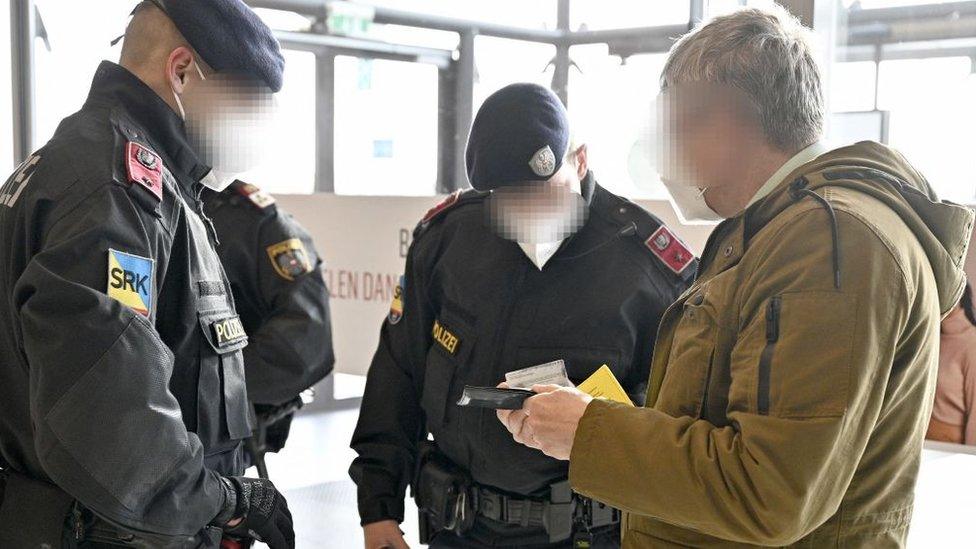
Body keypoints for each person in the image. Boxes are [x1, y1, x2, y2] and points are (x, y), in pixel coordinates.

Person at [498, 7, 974, 547]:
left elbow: (768, 491)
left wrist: (588, 431)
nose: (662, 155)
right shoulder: (784, 230)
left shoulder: (827, 240)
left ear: (724, 119)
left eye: (671, 128)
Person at [349, 82, 695, 549]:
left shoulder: (649, 271)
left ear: (581, 160)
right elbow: (399, 373)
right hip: (457, 526)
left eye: (545, 195)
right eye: (511, 201)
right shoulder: (450, 238)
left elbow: (678, 421)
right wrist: (378, 508)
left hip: (578, 533)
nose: (529, 214)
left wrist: (592, 421)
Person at [0, 1, 295, 547]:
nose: (252, 126)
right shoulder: (115, 190)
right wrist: (222, 503)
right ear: (182, 72)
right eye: (246, 101)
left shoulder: (138, 178)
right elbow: (107, 405)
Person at [203, 180, 335, 476]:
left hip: (218, 435)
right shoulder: (139, 200)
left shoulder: (258, 222)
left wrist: (213, 382)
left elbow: (305, 338)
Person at [927, 282, 976, 445]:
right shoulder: (930, 337)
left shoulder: (971, 343)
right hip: (919, 442)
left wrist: (970, 460)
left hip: (950, 449)